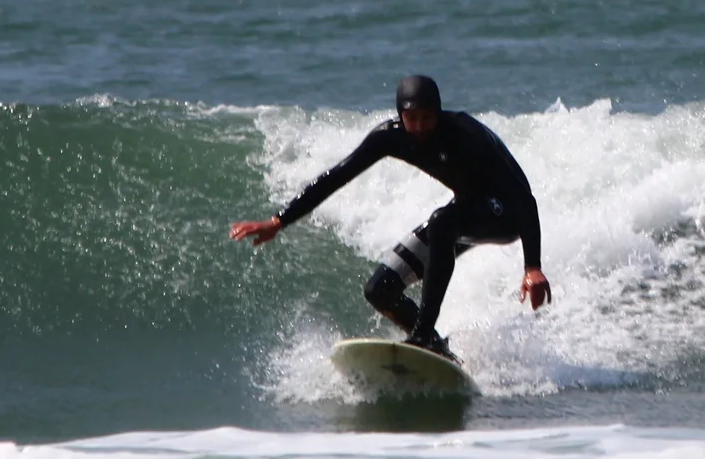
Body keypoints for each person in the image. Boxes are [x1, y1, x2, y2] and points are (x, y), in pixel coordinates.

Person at [231, 75, 550, 359]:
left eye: (428, 118)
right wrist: (279, 220)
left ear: (439, 113)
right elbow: (337, 176)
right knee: (379, 290)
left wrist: (532, 267)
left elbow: (525, 199)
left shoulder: (466, 132)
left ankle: (422, 335)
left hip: (506, 214)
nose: (421, 126)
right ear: (401, 115)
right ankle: (436, 349)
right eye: (412, 119)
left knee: (442, 222)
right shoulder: (390, 137)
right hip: (463, 216)